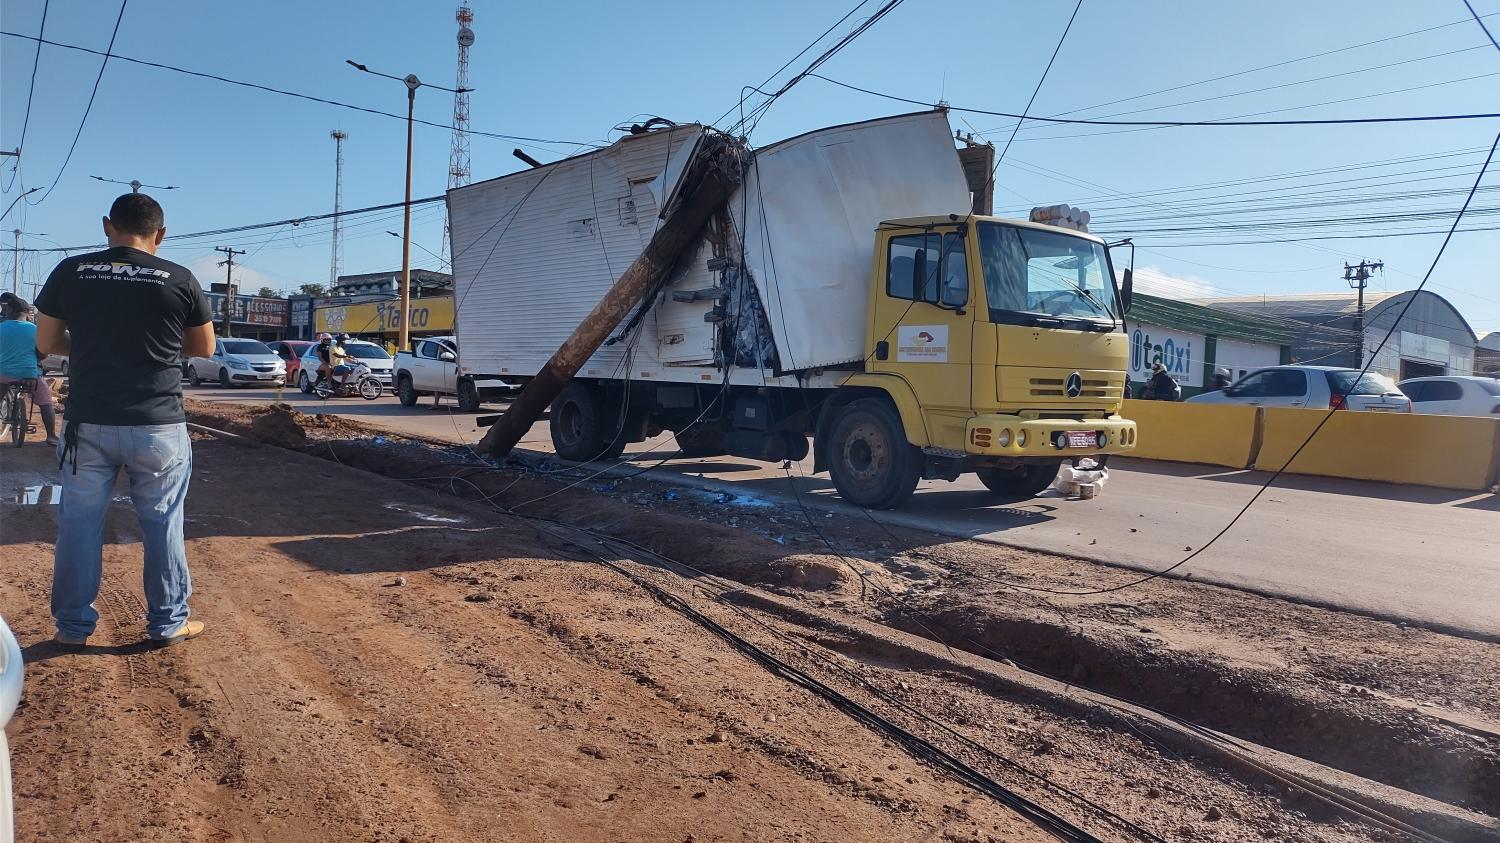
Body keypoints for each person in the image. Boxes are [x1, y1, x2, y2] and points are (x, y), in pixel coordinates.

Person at [33, 193, 216, 647]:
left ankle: (73, 628)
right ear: (161, 234)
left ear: (106, 226)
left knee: (78, 524)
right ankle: (168, 623)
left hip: (88, 424)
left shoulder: (71, 271)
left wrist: (96, 347)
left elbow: (49, 341)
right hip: (158, 425)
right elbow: (205, 349)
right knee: (162, 523)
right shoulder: (180, 278)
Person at [0, 292, 59, 445]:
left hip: (3, 374)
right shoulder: (35, 330)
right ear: (26, 314)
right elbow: (42, 354)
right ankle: (51, 436)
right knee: (46, 403)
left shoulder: (1, 328)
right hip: (29, 375)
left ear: (10, 311)